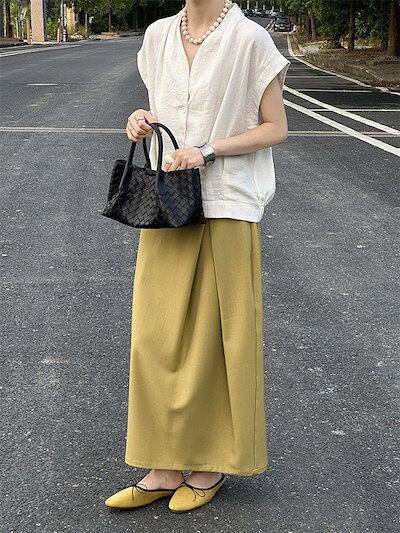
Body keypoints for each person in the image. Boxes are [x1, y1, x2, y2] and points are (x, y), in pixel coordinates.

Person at [105, 0, 290, 513]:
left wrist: (206, 150)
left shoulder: (250, 40)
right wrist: (141, 120)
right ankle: (163, 466)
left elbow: (276, 127)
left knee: (217, 341)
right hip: (167, 201)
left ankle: (210, 465)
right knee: (155, 337)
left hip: (226, 203)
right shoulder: (159, 35)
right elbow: (164, 107)